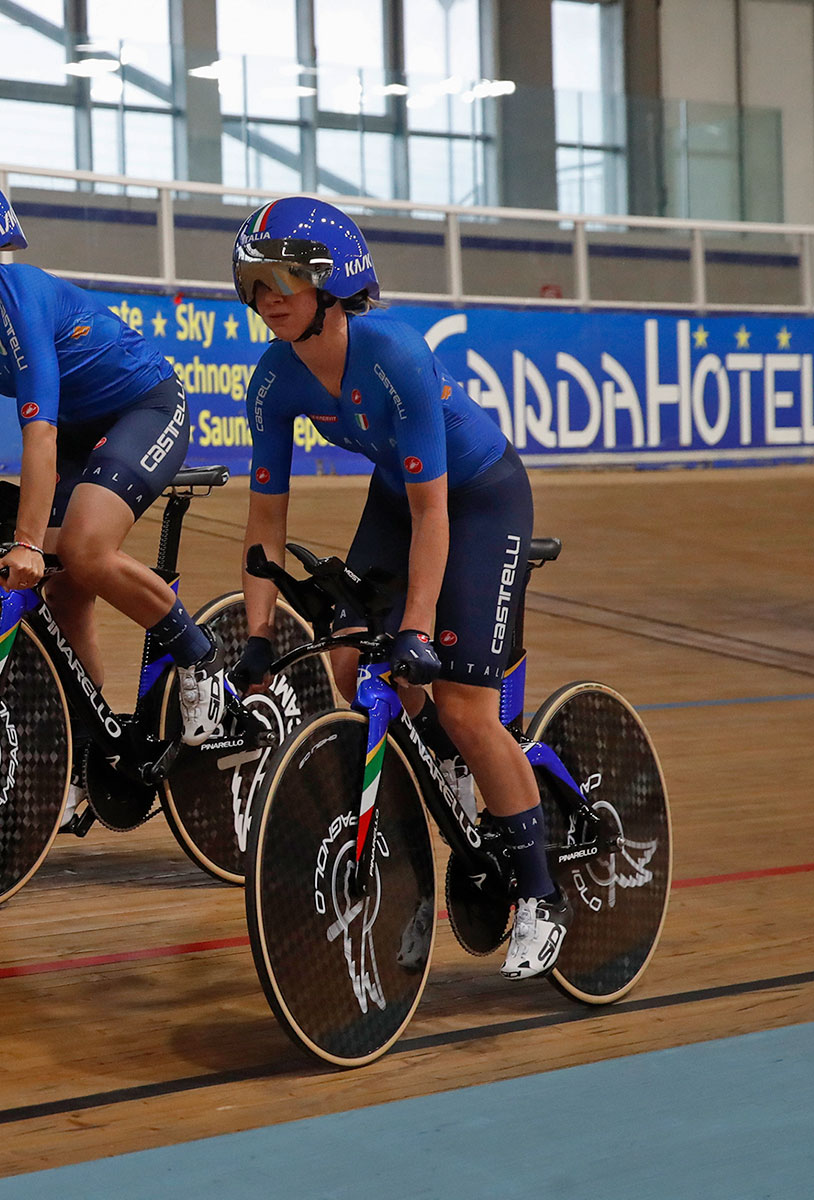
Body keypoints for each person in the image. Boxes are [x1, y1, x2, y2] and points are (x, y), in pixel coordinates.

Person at [228, 196, 565, 980]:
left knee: (464, 707)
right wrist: (254, 636)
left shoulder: (396, 356)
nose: (268, 296)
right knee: (347, 664)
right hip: (398, 495)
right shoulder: (273, 380)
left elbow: (433, 512)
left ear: (335, 286)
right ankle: (439, 771)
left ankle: (542, 894)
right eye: (254, 281)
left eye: (284, 278)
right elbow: (263, 522)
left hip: (477, 496)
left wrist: (418, 627)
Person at [0, 168, 234, 825]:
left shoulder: (20, 299)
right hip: (77, 429)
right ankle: (91, 750)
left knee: (84, 550)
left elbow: (36, 436)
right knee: (63, 589)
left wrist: (26, 542)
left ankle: (200, 655)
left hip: (145, 407)